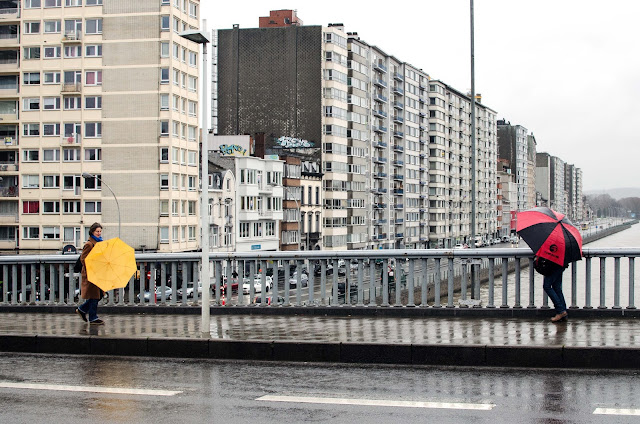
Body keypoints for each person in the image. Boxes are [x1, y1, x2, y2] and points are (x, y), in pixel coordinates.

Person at [75, 222, 105, 325]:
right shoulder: (89, 244)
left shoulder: (100, 243)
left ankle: (82, 309)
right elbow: (83, 259)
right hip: (91, 273)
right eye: (97, 231)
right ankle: (92, 317)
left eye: (100, 231)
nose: (99, 233)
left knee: (98, 295)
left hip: (98, 272)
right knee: (95, 295)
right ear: (92, 232)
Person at [536, 256, 568, 323]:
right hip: (561, 263)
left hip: (553, 265)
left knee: (547, 286)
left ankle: (561, 311)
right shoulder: (563, 250)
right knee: (557, 288)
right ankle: (563, 312)